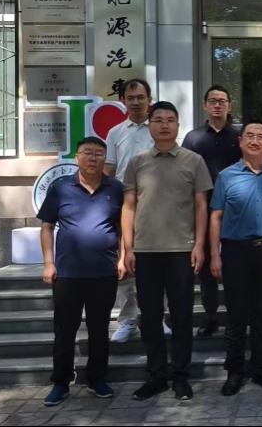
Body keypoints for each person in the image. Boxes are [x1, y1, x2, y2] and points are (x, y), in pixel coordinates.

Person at [122, 101, 213, 401]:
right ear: (149, 125)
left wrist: (199, 245)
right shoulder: (137, 162)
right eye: (158, 120)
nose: (164, 125)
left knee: (182, 316)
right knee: (150, 317)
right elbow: (129, 207)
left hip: (181, 250)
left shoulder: (193, 160)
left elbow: (201, 206)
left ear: (178, 125)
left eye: (170, 120)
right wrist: (127, 248)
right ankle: (156, 376)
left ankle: (180, 376)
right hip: (145, 250)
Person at [39, 137, 124, 406]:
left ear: (105, 158)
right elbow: (46, 227)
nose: (93, 158)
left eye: (99, 154)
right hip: (68, 273)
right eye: (88, 153)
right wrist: (49, 263)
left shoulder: (116, 189)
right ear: (77, 157)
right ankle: (61, 382)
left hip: (104, 273)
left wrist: (123, 258)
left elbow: (124, 228)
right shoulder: (61, 188)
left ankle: (97, 379)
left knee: (99, 330)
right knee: (65, 330)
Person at [210, 120, 262, 396]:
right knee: (236, 315)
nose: (255, 141)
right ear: (241, 141)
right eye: (250, 136)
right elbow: (216, 216)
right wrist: (215, 254)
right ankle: (234, 370)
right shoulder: (226, 176)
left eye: (261, 136)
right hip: (235, 251)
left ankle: (261, 368)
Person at [104, 78, 167, 343]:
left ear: (149, 99)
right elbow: (109, 170)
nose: (136, 102)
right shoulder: (115, 133)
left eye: (141, 97)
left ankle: (158, 317)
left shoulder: (160, 129)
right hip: (125, 206)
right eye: (130, 98)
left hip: (157, 205)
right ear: (123, 101)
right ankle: (128, 320)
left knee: (158, 264)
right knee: (126, 263)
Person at [181, 84, 241, 338]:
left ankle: (237, 315)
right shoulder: (193, 138)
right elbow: (184, 172)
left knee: (235, 264)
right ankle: (211, 316)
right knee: (206, 266)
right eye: (213, 101)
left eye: (222, 101)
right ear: (205, 105)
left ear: (229, 105)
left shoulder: (239, 136)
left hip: (236, 208)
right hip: (203, 207)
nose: (217, 105)